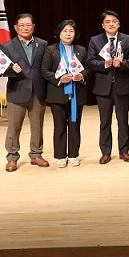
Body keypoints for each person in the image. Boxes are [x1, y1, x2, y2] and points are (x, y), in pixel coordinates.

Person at [87, 10, 129, 164]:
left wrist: (121, 64)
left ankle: (124, 151)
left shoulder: (128, 39)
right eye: (107, 22)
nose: (111, 24)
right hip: (103, 87)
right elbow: (90, 62)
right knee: (105, 121)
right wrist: (104, 64)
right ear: (103, 25)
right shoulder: (95, 40)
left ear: (119, 24)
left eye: (114, 21)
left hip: (123, 85)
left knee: (123, 121)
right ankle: (105, 152)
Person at [0, 13, 49, 172]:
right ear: (16, 28)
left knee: (37, 126)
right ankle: (12, 157)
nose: (25, 28)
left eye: (28, 25)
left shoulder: (42, 44)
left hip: (38, 91)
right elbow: (0, 69)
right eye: (22, 25)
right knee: (14, 127)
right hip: (17, 91)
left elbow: (46, 67)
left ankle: (36, 154)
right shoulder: (7, 46)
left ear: (33, 27)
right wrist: (11, 69)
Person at [41, 19, 90, 168]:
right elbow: (44, 71)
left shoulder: (81, 50)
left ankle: (74, 155)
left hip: (77, 93)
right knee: (60, 126)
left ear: (75, 34)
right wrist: (60, 79)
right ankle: (60, 156)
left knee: (75, 126)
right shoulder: (51, 50)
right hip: (57, 94)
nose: (68, 34)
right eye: (65, 31)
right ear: (59, 33)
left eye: (71, 31)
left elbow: (88, 69)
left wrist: (82, 76)